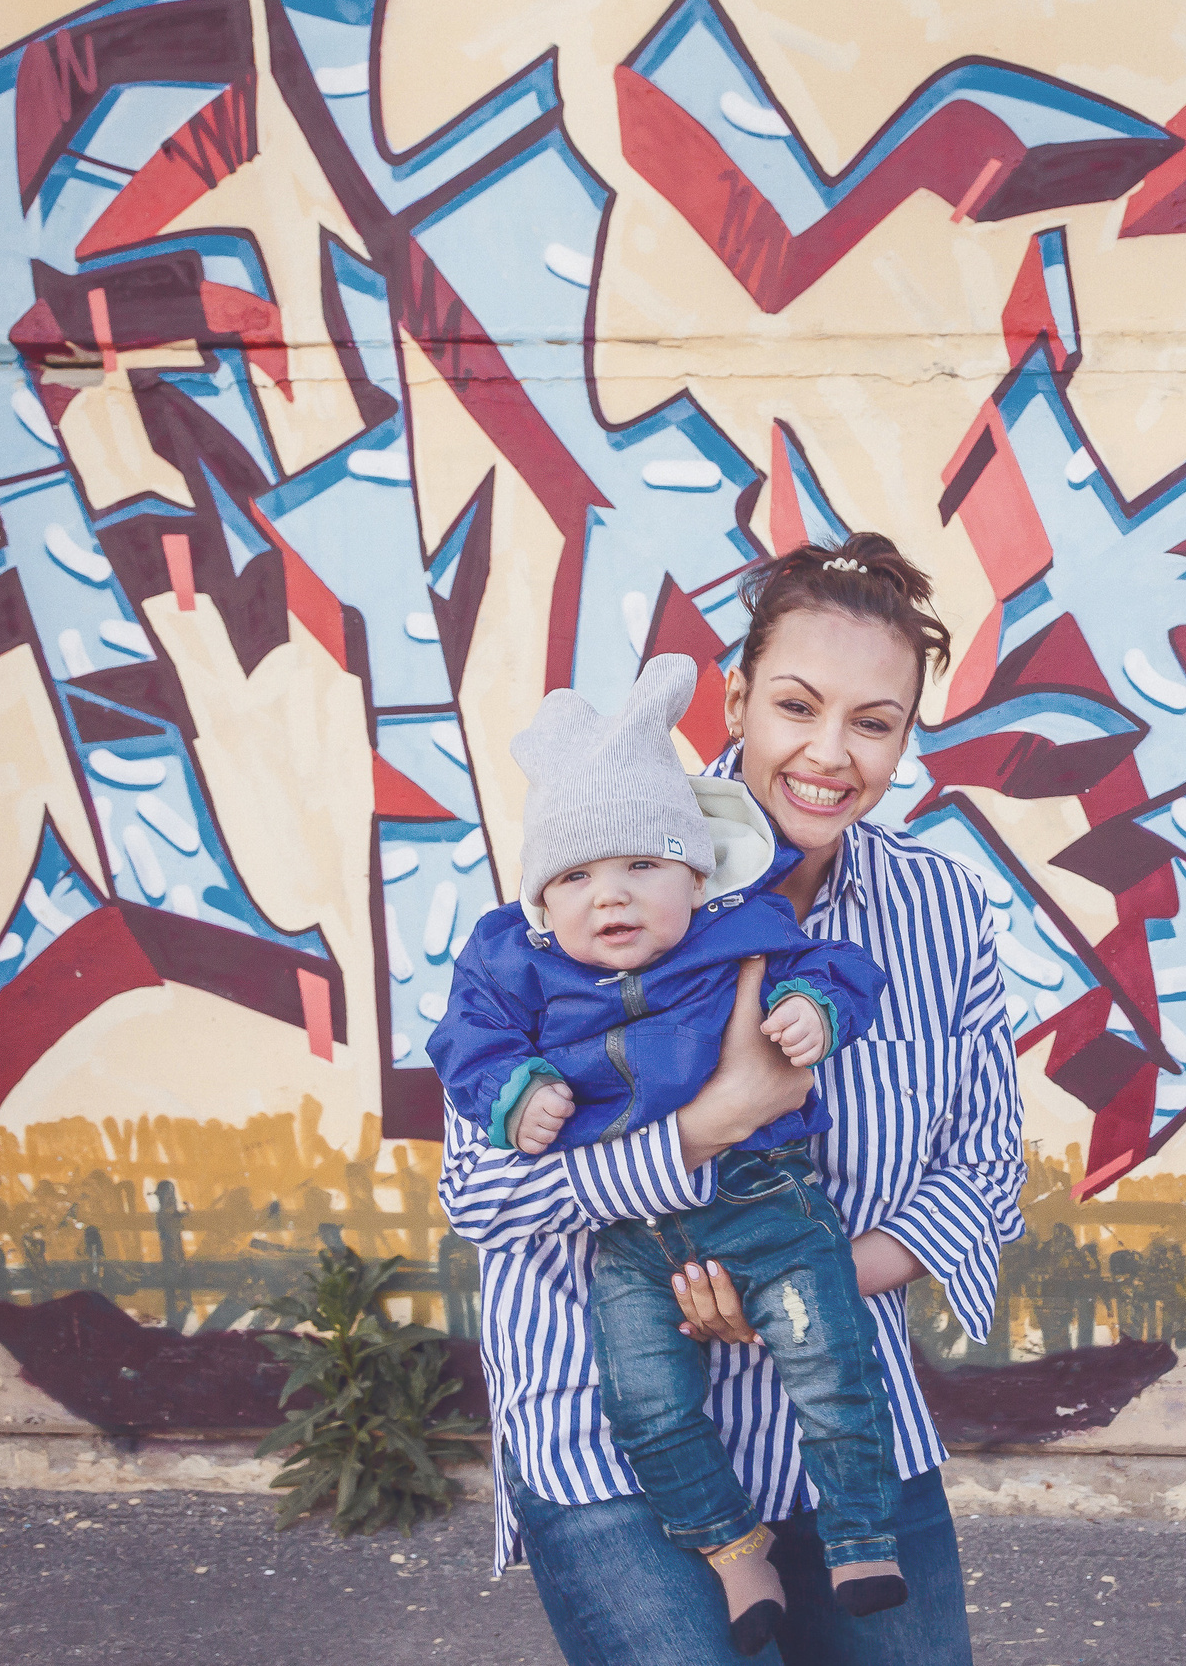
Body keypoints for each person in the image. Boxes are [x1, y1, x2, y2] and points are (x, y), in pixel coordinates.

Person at [439, 533, 1023, 1666]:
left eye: (874, 722)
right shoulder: (585, 876)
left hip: (845, 1428)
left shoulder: (941, 910)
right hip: (609, 1433)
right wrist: (710, 1125)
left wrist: (809, 1282)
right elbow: (482, 1194)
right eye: (797, 706)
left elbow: (985, 1171)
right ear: (738, 696)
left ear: (907, 736)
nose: (829, 754)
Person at [426, 651, 903, 1656]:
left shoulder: (737, 933)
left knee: (830, 1365)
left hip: (765, 1204)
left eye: (644, 865)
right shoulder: (513, 965)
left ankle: (863, 1533)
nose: (613, 896)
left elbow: (840, 967)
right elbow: (466, 1051)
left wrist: (814, 1008)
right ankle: (735, 1551)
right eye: (576, 876)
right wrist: (514, 1091)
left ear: (694, 871)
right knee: (644, 1399)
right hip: (629, 1241)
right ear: (540, 906)